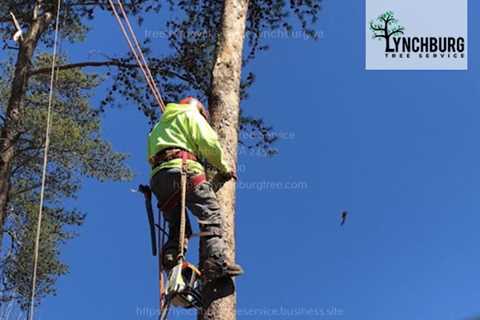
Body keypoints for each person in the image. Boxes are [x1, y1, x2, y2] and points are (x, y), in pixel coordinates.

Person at [148, 97, 244, 280]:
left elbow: (151, 154)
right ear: (199, 110)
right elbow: (208, 143)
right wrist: (224, 168)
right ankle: (215, 262)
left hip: (159, 179)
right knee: (211, 215)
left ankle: (171, 255)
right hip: (184, 170)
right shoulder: (191, 114)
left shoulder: (159, 125)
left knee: (178, 226)